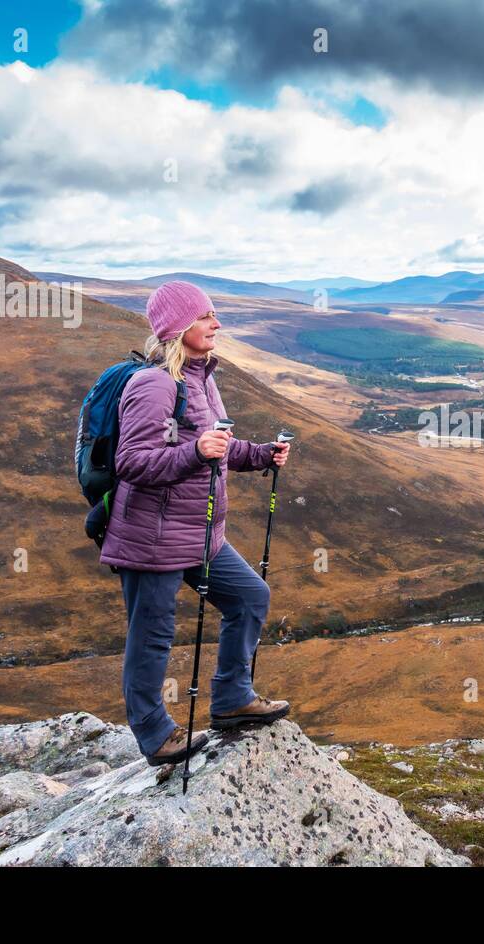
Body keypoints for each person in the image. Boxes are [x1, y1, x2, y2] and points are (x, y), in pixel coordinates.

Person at [100, 279, 292, 766]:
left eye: (214, 316)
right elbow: (133, 461)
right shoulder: (154, 383)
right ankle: (153, 732)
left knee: (250, 597)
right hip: (153, 536)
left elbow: (218, 448)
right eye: (205, 316)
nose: (216, 324)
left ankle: (231, 699)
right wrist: (192, 452)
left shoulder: (201, 379)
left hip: (198, 533)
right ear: (178, 326)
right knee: (153, 634)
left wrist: (262, 454)